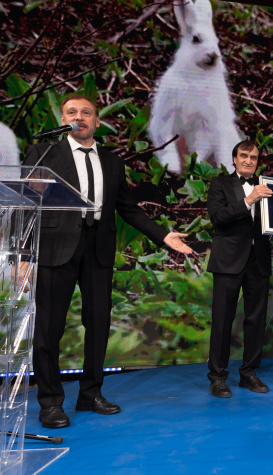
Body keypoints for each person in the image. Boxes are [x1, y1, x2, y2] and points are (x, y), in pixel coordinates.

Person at [22, 93, 193, 429]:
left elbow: (127, 208)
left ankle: (91, 393)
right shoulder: (44, 153)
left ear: (97, 121)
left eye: (86, 112)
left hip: (98, 249)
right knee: (48, 329)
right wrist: (24, 256)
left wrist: (163, 236)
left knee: (99, 323)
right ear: (63, 119)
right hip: (57, 248)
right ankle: (51, 402)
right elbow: (28, 206)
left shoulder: (112, 161)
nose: (79, 117)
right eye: (72, 112)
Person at [205, 140, 273, 398]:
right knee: (222, 319)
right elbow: (218, 218)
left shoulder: (267, 187)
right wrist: (248, 200)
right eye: (243, 156)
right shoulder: (220, 184)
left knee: (256, 320)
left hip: (259, 260)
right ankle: (217, 376)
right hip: (228, 260)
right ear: (234, 159)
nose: (248, 160)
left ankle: (249, 373)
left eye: (253, 157)